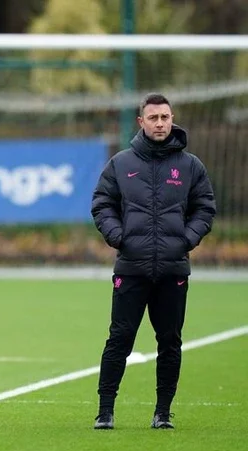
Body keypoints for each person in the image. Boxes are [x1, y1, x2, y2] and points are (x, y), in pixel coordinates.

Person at [91, 93, 216, 430]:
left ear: (172, 119)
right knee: (119, 339)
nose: (160, 123)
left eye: (165, 117)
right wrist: (119, 237)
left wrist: (186, 240)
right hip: (131, 268)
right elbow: (102, 204)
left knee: (170, 341)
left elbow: (205, 207)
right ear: (141, 122)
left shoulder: (190, 166)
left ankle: (162, 413)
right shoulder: (121, 164)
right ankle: (105, 412)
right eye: (153, 118)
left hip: (173, 269)